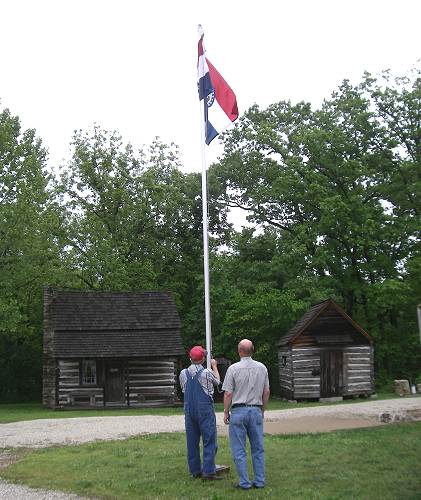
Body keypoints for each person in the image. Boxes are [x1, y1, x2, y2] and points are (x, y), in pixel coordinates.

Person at [222, 339, 270, 490]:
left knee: (239, 448)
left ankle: (244, 482)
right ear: (253, 350)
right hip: (256, 409)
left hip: (238, 410)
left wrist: (225, 411)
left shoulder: (233, 369)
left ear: (239, 351)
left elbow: (228, 393)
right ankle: (260, 481)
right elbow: (266, 391)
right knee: (258, 448)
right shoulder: (262, 368)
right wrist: (262, 410)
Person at [179, 345, 221, 480]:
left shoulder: (183, 373)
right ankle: (208, 472)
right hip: (204, 409)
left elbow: (184, 390)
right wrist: (214, 366)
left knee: (192, 441)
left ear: (190, 358)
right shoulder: (206, 372)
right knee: (209, 439)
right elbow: (217, 382)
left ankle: (195, 471)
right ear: (203, 358)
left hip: (189, 409)